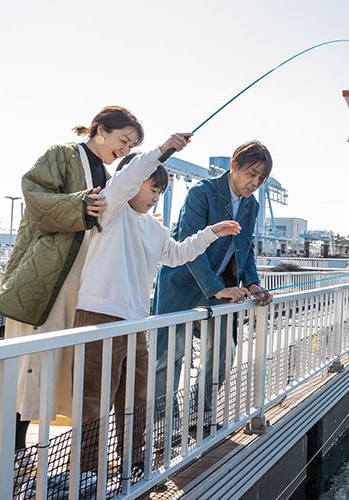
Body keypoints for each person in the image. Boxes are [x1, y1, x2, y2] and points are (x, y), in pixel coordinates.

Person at [73, 140, 242, 473]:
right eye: (153, 188)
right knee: (94, 399)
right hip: (98, 316)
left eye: (160, 191)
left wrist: (211, 233)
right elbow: (126, 178)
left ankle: (133, 462)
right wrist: (162, 150)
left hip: (136, 321)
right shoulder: (113, 209)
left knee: (136, 397)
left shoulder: (154, 227)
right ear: (135, 182)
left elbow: (176, 255)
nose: (155, 197)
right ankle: (88, 470)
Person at [0, 105, 143, 458]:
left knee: (58, 364)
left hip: (81, 280)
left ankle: (39, 451)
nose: (126, 149)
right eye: (124, 139)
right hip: (49, 276)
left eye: (132, 145)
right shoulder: (62, 155)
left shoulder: (104, 173)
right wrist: (80, 205)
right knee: (33, 362)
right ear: (100, 129)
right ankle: (13, 449)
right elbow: (34, 195)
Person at [152, 140, 274, 412]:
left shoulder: (250, 205)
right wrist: (215, 288)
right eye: (251, 174)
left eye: (262, 177)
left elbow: (247, 248)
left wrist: (252, 282)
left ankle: (200, 413)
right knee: (168, 356)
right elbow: (188, 244)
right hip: (182, 284)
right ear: (234, 166)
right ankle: (161, 424)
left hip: (222, 288)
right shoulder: (201, 193)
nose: (255, 182)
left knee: (222, 352)